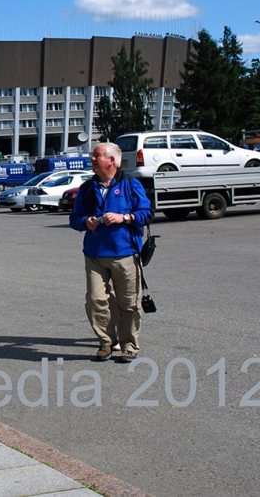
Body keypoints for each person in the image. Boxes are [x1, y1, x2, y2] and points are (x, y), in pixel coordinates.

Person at [69, 142, 152, 363]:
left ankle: (129, 346)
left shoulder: (130, 184)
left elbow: (146, 212)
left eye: (97, 156)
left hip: (125, 253)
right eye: (92, 156)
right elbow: (74, 219)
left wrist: (124, 217)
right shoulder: (87, 188)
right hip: (95, 254)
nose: (92, 160)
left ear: (112, 161)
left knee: (128, 303)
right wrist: (85, 222)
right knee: (96, 300)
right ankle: (106, 343)